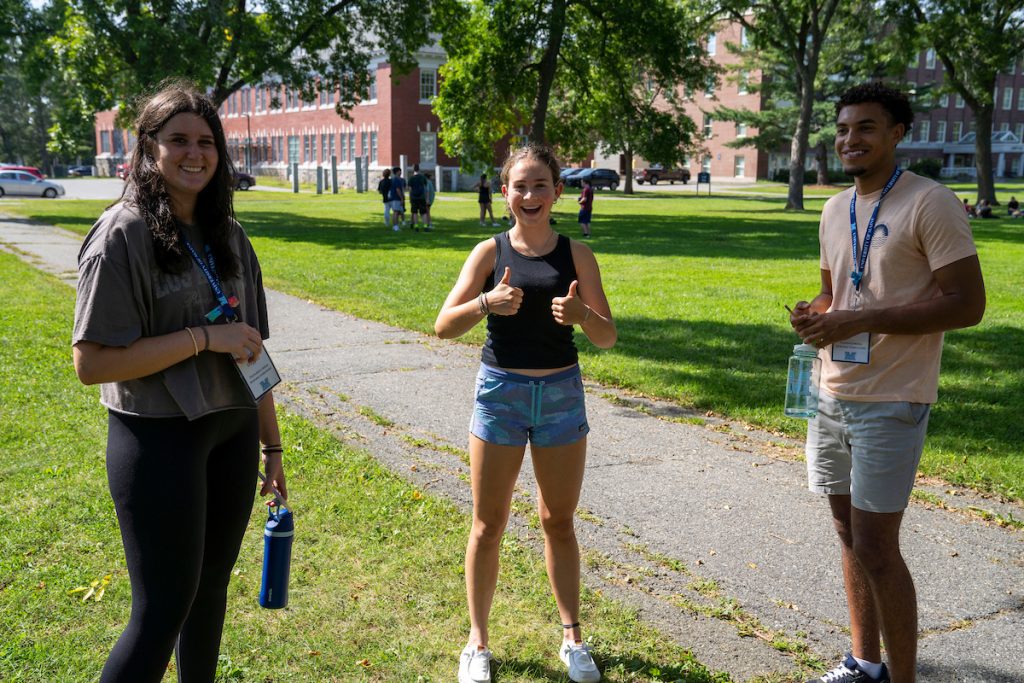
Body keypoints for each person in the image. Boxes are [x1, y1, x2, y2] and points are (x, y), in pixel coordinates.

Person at [72, 81, 289, 682]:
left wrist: (272, 447)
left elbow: (253, 349)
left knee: (210, 595)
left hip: (234, 432)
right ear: (148, 148)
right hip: (159, 438)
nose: (195, 154)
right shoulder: (123, 235)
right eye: (178, 142)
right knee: (161, 609)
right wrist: (202, 338)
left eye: (206, 141)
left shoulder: (229, 236)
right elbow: (92, 363)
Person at [789, 83, 984, 683]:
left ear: (897, 134)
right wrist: (816, 313)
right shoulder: (832, 208)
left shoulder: (931, 202)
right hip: (830, 391)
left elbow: (968, 304)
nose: (851, 139)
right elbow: (836, 291)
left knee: (877, 546)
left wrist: (862, 318)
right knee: (849, 535)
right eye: (844, 129)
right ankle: (863, 663)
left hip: (893, 397)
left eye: (866, 128)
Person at [435, 143, 616, 683]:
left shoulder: (578, 255)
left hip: (561, 395)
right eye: (520, 186)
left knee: (557, 521)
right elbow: (444, 325)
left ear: (559, 191)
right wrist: (487, 302)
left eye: (541, 185)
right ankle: (477, 643)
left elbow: (607, 336)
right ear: (505, 191)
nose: (530, 195)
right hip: (502, 393)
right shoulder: (489, 252)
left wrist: (584, 315)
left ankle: (572, 638)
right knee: (488, 524)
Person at [408, 163, 429, 232]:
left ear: (413, 169)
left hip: (414, 197)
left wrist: (410, 198)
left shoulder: (411, 178)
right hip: (422, 197)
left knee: (414, 212)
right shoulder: (423, 177)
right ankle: (425, 227)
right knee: (424, 213)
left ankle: (416, 227)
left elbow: (410, 190)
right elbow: (426, 189)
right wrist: (427, 198)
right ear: (419, 169)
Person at [389, 166, 406, 231]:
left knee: (395, 212)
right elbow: (398, 189)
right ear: (397, 172)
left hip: (393, 197)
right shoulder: (397, 180)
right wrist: (401, 198)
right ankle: (395, 226)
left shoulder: (393, 179)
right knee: (396, 212)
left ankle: (395, 226)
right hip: (396, 198)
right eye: (400, 171)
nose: (401, 172)